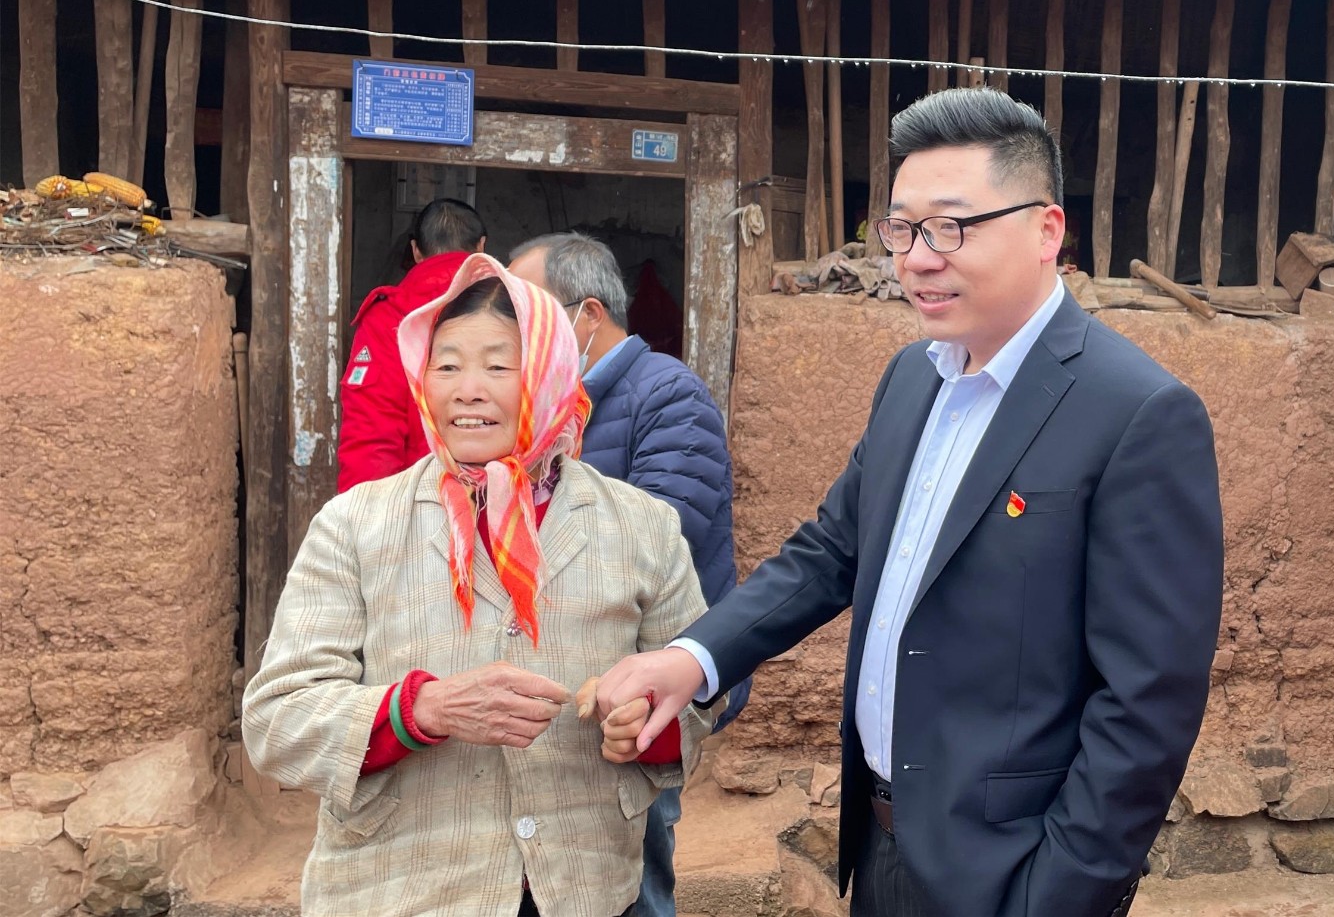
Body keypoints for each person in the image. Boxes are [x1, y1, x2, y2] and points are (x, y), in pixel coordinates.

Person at [585, 86, 1225, 917]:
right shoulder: (912, 379)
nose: (919, 258)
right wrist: (694, 658)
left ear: (1047, 231)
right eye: (902, 229)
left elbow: (1147, 706)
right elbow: (831, 551)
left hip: (1011, 873)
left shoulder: (1137, 413)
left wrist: (1059, 894)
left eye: (951, 227)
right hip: (880, 849)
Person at [244, 254, 719, 917]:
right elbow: (276, 719)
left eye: (499, 367)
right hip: (399, 895)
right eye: (446, 366)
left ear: (551, 374)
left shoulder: (641, 526)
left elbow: (695, 703)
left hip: (586, 890)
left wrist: (646, 724)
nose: (467, 390)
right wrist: (424, 710)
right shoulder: (355, 524)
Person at [507, 232, 746, 917]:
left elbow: (663, 536)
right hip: (572, 685)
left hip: (644, 681)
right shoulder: (544, 407)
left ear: (587, 314)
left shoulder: (668, 393)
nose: (515, 335)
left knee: (633, 865)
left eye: (528, 313)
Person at [338, 199, 488, 491]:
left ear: (416, 251)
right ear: (481, 247)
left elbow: (371, 437)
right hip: (505, 503)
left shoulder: (388, 316)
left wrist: (367, 512)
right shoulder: (515, 309)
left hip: (418, 502)